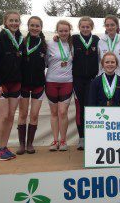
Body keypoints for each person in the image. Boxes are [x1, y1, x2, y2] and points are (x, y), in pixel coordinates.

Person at [0, 10, 24, 160]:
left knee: (9, 117)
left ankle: (4, 147)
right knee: (2, 116)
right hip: (1, 85)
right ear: (5, 22)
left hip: (15, 83)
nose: (14, 23)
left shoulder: (20, 39)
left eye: (16, 21)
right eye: (11, 21)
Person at [16, 16, 47, 155]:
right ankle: (21, 144)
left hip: (39, 85)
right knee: (22, 114)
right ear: (28, 27)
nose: (35, 28)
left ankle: (30, 144)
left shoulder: (45, 44)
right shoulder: (21, 42)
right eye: (32, 25)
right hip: (23, 85)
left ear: (41, 28)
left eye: (37, 26)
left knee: (34, 115)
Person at [72, 16, 100, 150]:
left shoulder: (97, 40)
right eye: (82, 27)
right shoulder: (74, 39)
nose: (85, 29)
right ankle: (82, 138)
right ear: (79, 27)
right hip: (78, 80)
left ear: (91, 28)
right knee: (80, 109)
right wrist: (56, 38)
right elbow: (61, 40)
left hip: (92, 80)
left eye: (87, 27)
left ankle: (93, 137)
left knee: (91, 109)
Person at [46, 20, 73, 151]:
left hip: (67, 81)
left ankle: (63, 140)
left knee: (63, 112)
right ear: (57, 31)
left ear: (69, 31)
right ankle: (55, 140)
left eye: (66, 31)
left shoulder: (73, 43)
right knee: (54, 112)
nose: (63, 33)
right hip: (51, 81)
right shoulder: (50, 44)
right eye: (61, 31)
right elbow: (45, 62)